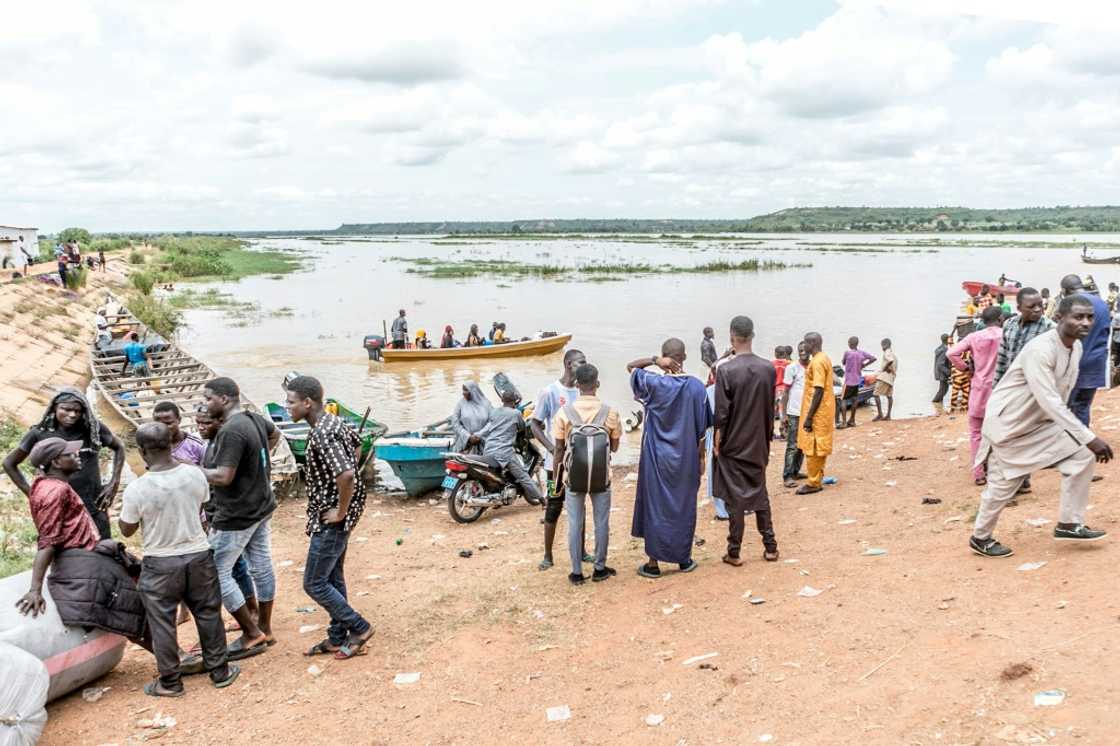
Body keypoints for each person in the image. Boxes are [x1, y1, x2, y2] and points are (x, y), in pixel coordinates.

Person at [969, 296, 1113, 557]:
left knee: (1081, 455)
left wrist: (1081, 437)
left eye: (1089, 317)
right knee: (1004, 485)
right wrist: (1089, 436)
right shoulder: (1041, 350)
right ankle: (980, 537)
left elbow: (1063, 394)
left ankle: (1069, 523)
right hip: (1010, 424)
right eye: (1078, 317)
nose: (1085, 322)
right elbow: (1049, 399)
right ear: (1059, 317)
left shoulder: (1075, 348)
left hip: (1041, 423)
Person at [119, 423, 239, 697]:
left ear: (142, 451)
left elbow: (128, 528)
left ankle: (171, 682)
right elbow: (200, 506)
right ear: (172, 444)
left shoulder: (138, 488)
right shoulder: (195, 475)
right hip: (198, 554)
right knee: (208, 613)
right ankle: (220, 671)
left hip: (160, 561)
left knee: (161, 621)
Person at [285, 376, 375, 660]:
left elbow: (346, 473)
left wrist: (341, 510)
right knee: (332, 574)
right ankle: (336, 637)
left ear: (307, 402)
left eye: (291, 402)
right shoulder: (333, 421)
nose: (288, 408)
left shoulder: (323, 432)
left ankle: (359, 628)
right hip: (338, 508)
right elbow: (357, 446)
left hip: (333, 515)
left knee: (314, 582)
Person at [200, 377, 279, 661]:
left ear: (223, 398)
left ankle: (250, 633)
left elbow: (223, 476)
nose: (206, 404)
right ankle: (265, 627)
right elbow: (275, 435)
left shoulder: (231, 430)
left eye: (208, 398)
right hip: (261, 505)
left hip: (237, 514)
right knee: (261, 565)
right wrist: (258, 464)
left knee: (214, 571)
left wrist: (187, 469)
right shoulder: (253, 419)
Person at [627, 339, 710, 578]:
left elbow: (631, 368)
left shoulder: (653, 383)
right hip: (686, 456)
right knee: (684, 506)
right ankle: (683, 559)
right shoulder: (696, 387)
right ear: (684, 356)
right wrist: (701, 457)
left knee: (656, 506)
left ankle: (653, 563)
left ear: (665, 357)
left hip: (656, 456)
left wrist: (653, 361)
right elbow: (702, 428)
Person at [4, 388, 125, 539]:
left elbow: (119, 447)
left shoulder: (92, 428)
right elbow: (9, 463)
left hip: (92, 503)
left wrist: (114, 482)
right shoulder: (40, 433)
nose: (73, 415)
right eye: (66, 409)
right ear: (55, 407)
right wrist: (32, 494)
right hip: (59, 506)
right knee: (61, 547)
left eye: (78, 411)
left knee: (102, 548)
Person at [713, 316, 779, 566]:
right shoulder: (768, 368)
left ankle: (734, 551)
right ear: (752, 336)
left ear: (732, 337)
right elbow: (770, 407)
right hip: (759, 440)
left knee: (735, 498)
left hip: (734, 442)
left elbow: (721, 414)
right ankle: (770, 546)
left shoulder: (726, 370)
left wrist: (718, 441)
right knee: (760, 492)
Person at [552, 363, 621, 585]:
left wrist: (556, 483)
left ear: (576, 385)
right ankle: (600, 568)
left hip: (573, 479)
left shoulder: (565, 413)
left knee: (575, 523)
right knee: (602, 522)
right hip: (602, 478)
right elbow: (615, 447)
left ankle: (577, 572)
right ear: (597, 384)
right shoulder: (610, 412)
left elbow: (559, 450)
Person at [197, 406, 259, 630]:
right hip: (213, 512)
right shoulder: (208, 444)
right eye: (198, 423)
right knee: (234, 566)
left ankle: (249, 617)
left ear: (220, 422)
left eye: (206, 423)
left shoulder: (223, 443)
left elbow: (221, 478)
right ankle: (248, 611)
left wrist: (190, 469)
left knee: (224, 569)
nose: (201, 427)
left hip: (227, 514)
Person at [531, 349, 587, 571]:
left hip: (580, 463)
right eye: (580, 362)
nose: (584, 365)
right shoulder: (550, 392)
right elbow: (535, 424)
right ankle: (547, 555)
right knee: (554, 505)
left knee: (580, 506)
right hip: (554, 466)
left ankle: (582, 551)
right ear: (568, 364)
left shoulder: (584, 391)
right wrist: (552, 448)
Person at [948, 306, 1005, 485]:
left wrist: (966, 368)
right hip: (1000, 390)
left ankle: (979, 473)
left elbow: (951, 353)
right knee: (1001, 433)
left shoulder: (973, 337)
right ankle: (1000, 471)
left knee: (976, 433)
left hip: (979, 389)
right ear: (1000, 318)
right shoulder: (1005, 335)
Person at [1059, 275, 1111, 426]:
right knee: (1083, 406)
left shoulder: (1070, 304)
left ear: (1065, 290)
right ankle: (1084, 442)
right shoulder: (1102, 303)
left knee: (1065, 407)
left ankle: (1068, 444)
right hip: (1096, 362)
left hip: (1074, 363)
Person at [478, 388, 542, 504]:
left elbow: (491, 426)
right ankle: (543, 500)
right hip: (504, 451)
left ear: (502, 400)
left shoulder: (494, 411)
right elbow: (522, 427)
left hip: (489, 449)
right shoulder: (516, 413)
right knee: (523, 476)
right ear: (514, 401)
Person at [797, 332, 835, 495]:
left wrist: (809, 417)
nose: (803, 346)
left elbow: (818, 390)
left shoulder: (818, 362)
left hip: (818, 412)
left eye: (805, 343)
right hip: (825, 409)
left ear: (811, 344)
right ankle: (817, 476)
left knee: (813, 446)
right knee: (819, 445)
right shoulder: (823, 357)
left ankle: (814, 483)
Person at [995, 288, 1056, 385]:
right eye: (1031, 307)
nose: (1038, 309)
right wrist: (996, 386)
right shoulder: (1009, 324)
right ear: (1019, 308)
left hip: (1035, 386)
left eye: (1040, 305)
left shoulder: (1050, 328)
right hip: (1010, 383)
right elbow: (1002, 358)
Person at [781, 342, 809, 487]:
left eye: (805, 350)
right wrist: (784, 414)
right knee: (792, 444)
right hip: (794, 412)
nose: (803, 352)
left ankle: (796, 471)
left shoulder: (813, 366)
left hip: (808, 413)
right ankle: (787, 475)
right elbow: (785, 393)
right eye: (800, 350)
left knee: (803, 444)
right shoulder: (792, 368)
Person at [153, 401, 205, 466]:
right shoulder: (152, 446)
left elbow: (207, 472)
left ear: (179, 420)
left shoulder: (197, 445)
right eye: (158, 424)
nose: (163, 428)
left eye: (168, 423)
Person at [839, 337, 875, 428]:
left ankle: (843, 422)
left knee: (843, 400)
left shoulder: (847, 353)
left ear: (850, 343)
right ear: (857, 344)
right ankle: (852, 420)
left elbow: (843, 362)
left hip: (848, 381)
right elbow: (873, 358)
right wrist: (863, 365)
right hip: (857, 381)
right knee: (854, 400)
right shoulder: (861, 353)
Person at [450, 382, 492, 453]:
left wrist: (479, 434)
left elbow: (492, 421)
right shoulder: (461, 404)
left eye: (466, 390)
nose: (463, 393)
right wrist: (468, 436)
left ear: (473, 391)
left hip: (484, 441)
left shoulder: (487, 404)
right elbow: (455, 422)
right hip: (465, 442)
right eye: (463, 390)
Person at [872, 338, 897, 421]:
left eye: (882, 346)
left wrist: (884, 368)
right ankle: (888, 415)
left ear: (885, 345)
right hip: (891, 378)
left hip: (884, 377)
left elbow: (890, 361)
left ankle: (880, 414)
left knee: (876, 394)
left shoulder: (887, 352)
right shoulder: (893, 354)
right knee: (889, 396)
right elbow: (893, 362)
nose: (881, 348)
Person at [771, 346, 791, 436]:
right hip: (784, 389)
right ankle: (783, 431)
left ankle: (771, 431)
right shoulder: (789, 364)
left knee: (772, 411)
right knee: (783, 411)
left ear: (775, 354)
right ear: (785, 354)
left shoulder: (771, 364)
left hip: (774, 389)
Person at [932, 333, 952, 415]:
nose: (951, 339)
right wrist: (949, 372)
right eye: (950, 338)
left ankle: (939, 409)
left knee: (943, 390)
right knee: (943, 390)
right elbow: (941, 364)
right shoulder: (945, 350)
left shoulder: (941, 348)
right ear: (947, 339)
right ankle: (935, 403)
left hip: (940, 372)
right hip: (943, 373)